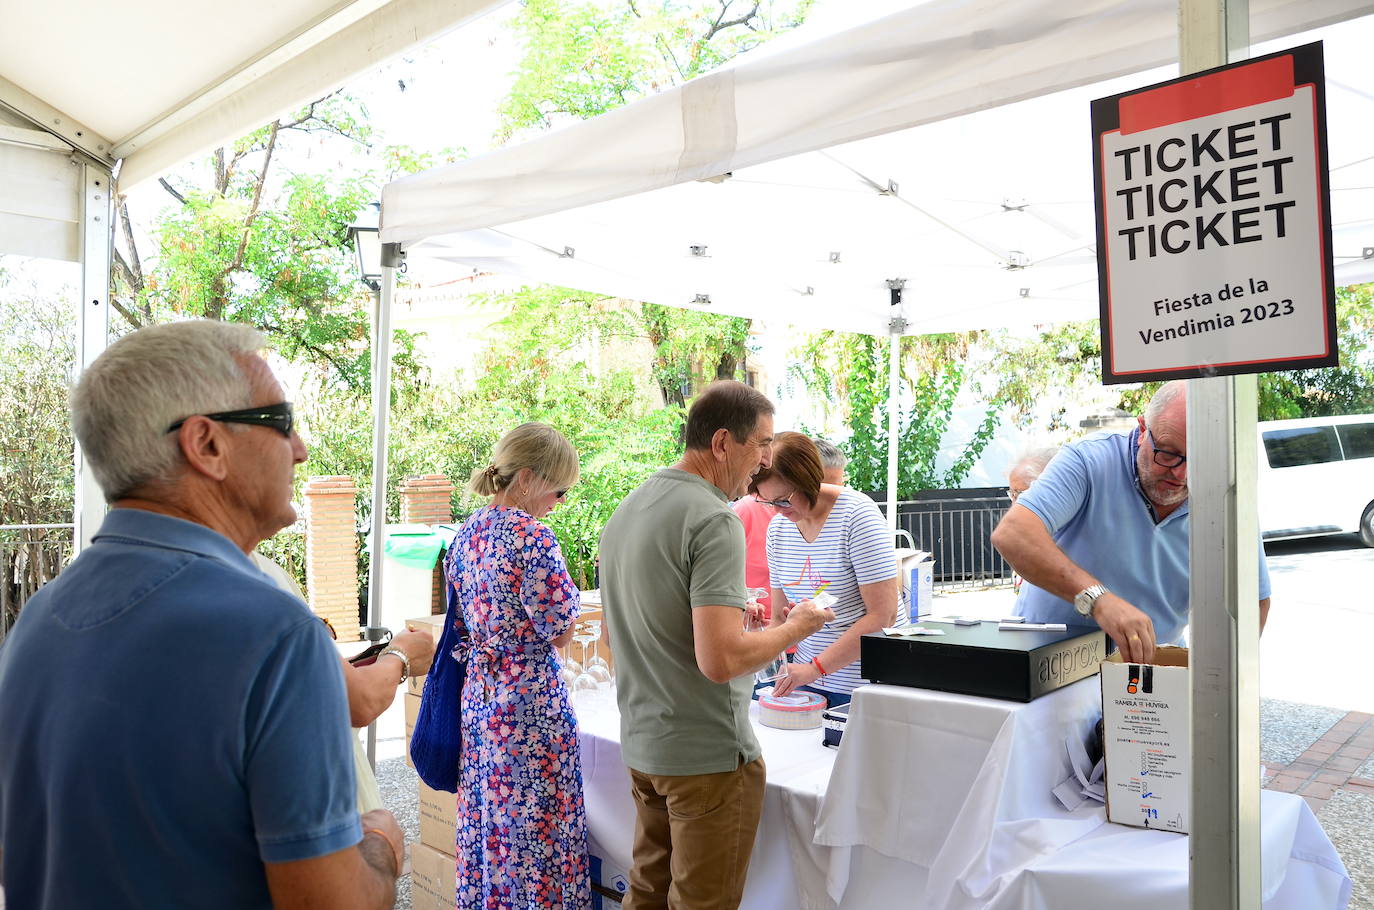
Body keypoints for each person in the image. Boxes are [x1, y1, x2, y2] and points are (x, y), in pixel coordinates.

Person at [0, 320, 403, 909]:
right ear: (206, 444)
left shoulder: (39, 620)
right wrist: (383, 845)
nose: (300, 448)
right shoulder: (274, 633)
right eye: (281, 422)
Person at [599, 381, 834, 910]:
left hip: (645, 745)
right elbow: (720, 661)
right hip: (706, 757)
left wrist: (729, 624)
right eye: (763, 443)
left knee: (646, 892)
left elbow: (617, 635)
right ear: (723, 442)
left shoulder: (627, 510)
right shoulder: (713, 518)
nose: (767, 459)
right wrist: (796, 627)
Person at [990, 380, 1272, 664]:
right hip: (1049, 663)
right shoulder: (1090, 460)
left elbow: (1251, 602)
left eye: (1199, 460)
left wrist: (1217, 676)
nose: (1182, 474)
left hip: (1149, 669)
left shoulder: (1225, 497)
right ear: (1142, 430)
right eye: (1169, 454)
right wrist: (1097, 599)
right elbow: (1013, 534)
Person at [441, 422, 589, 910]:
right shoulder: (532, 537)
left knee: (492, 830)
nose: (559, 502)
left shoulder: (466, 534)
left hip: (480, 697)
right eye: (558, 490)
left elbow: (460, 620)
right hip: (529, 706)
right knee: (538, 839)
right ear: (526, 479)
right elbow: (561, 630)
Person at [251, 551, 437, 813]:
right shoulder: (255, 577)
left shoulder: (217, 568)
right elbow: (358, 701)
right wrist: (400, 656)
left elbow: (302, 675)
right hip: (302, 798)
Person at [753, 432, 901, 707]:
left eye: (783, 500)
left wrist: (815, 668)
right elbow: (780, 618)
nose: (777, 510)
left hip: (866, 682)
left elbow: (884, 616)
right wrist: (757, 643)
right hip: (807, 681)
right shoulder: (778, 529)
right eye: (768, 501)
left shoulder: (857, 515)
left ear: (809, 480)